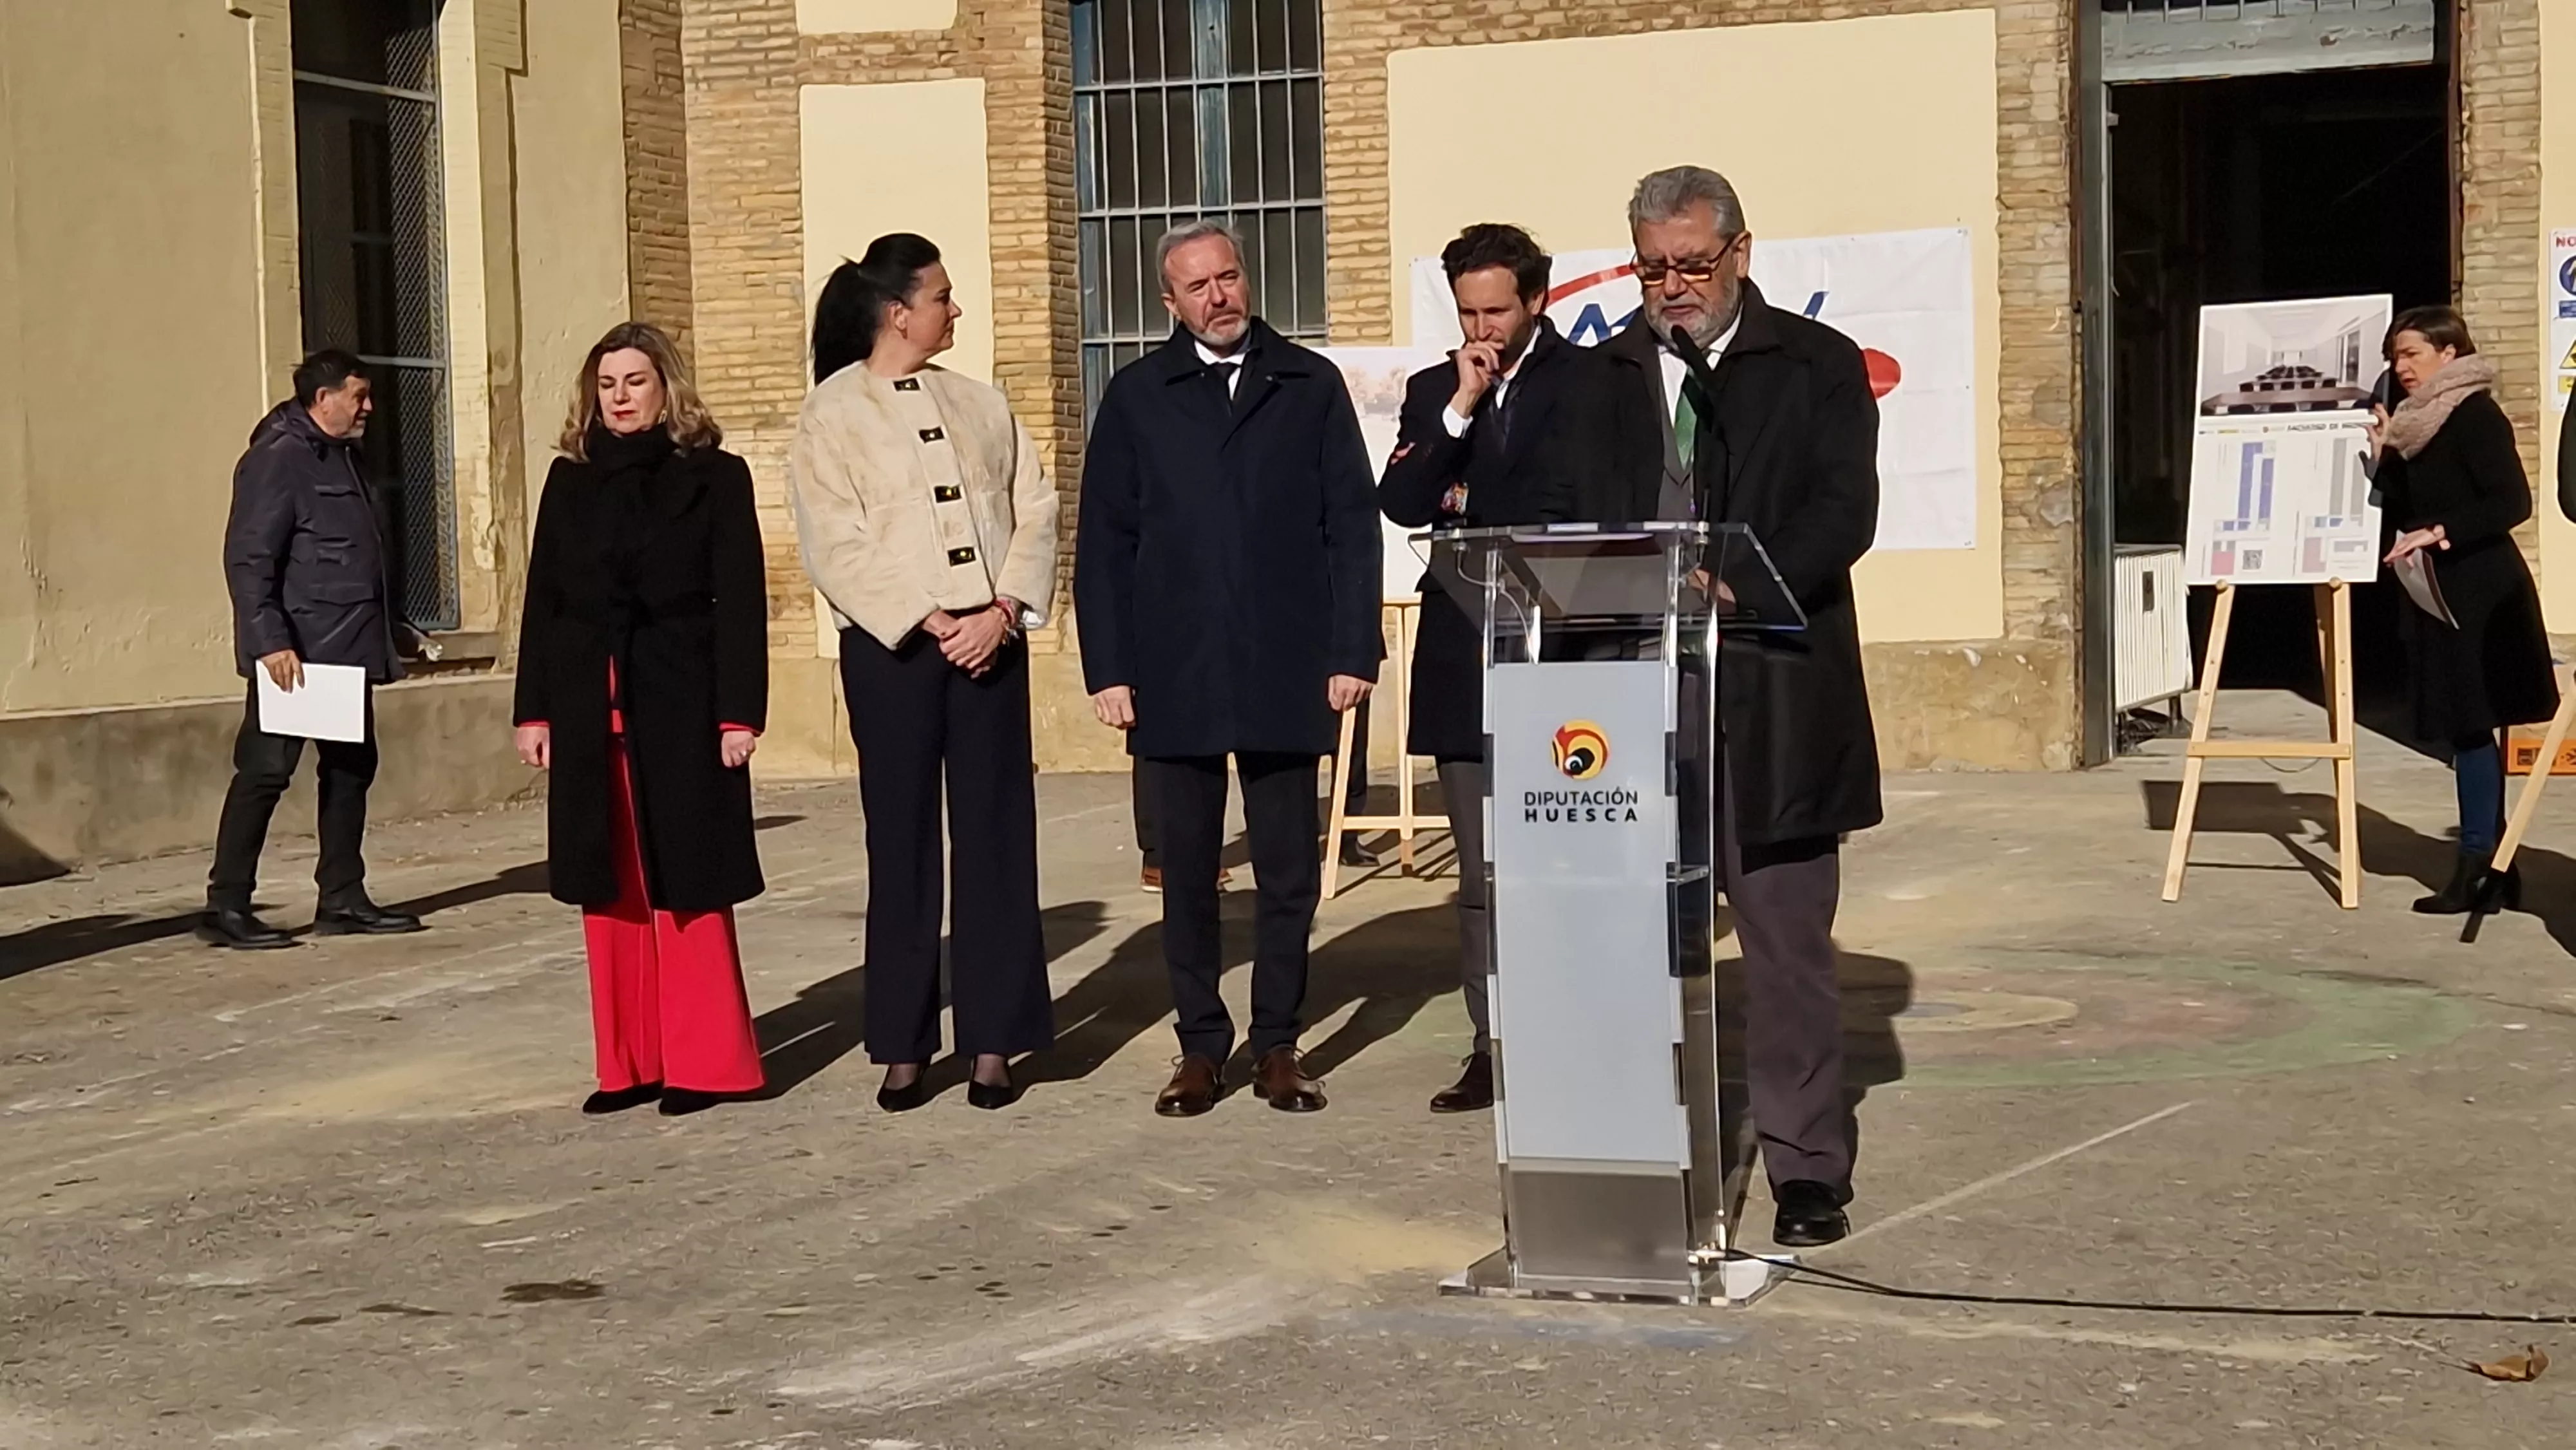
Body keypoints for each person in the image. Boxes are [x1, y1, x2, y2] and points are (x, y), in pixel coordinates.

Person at [1551, 167, 1883, 1247]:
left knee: (1785, 944)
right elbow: (1557, 519)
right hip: (1633, 696)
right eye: (1652, 266)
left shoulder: (1816, 366)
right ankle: (1644, 1153)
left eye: (1693, 263)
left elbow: (1845, 509)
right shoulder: (1597, 376)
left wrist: (1740, 581)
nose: (1672, 285)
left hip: (1774, 694)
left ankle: (1804, 1167)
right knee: (1635, 944)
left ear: (1742, 251)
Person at [1076, 219, 1382, 1116]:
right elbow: (1106, 544)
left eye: (1231, 278)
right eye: (1199, 286)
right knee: (1189, 870)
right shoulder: (1138, 397)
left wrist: (1350, 650)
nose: (1221, 297)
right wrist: (1110, 668)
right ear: (1169, 302)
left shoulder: (1308, 385)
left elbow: (1350, 530)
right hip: (1176, 668)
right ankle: (1201, 1046)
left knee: (1287, 870)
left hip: (1287, 663)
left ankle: (1279, 1045)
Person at [791, 233, 1058, 1113]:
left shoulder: (982, 403)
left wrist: (1001, 611)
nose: (955, 310)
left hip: (991, 645)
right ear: (898, 311)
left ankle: (993, 1041)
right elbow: (835, 540)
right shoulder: (832, 412)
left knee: (994, 839)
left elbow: (1036, 508)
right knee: (899, 843)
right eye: (943, 296)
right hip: (895, 652)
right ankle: (904, 1045)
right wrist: (932, 618)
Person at [514, 322, 771, 1118]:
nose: (620, 398)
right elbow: (545, 601)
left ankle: (708, 1062)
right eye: (607, 384)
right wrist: (535, 709)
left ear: (666, 387)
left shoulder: (715, 477)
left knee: (687, 880)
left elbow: (741, 601)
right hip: (591, 702)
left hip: (684, 699)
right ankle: (628, 1062)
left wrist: (739, 713)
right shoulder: (570, 480)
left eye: (634, 381)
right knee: (609, 883)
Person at [1379, 221, 1592, 1113]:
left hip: (1561, 657)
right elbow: (1399, 499)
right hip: (1464, 652)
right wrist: (1459, 412)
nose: (1483, 328)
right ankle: (1491, 1041)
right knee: (1482, 874)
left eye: (1497, 310)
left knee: (1566, 864)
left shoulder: (1592, 383)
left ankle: (1578, 1035)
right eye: (1468, 311)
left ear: (1536, 301)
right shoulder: (1438, 389)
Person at [204, 350, 425, 948]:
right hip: (297, 654)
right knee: (265, 773)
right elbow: (250, 558)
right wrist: (269, 641)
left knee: (351, 771)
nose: (368, 406)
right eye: (358, 394)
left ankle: (343, 897)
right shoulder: (277, 460)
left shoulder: (344, 457)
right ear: (322, 398)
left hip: (348, 644)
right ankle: (226, 903)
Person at [2369, 306, 2557, 914]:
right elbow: (2407, 506)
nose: (2401, 369)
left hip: (2480, 593)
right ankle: (2494, 865)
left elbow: (2512, 501)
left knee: (2473, 727)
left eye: (2411, 354)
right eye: (2396, 358)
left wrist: (2441, 530)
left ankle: (2480, 864)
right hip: (2438, 593)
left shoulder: (2474, 415)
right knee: (2465, 728)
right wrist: (2384, 458)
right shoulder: (2414, 426)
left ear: (2449, 354)